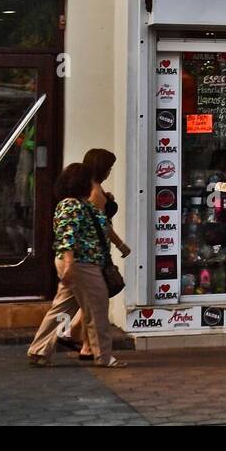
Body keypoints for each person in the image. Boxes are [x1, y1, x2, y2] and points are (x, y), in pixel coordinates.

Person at [27, 162, 126, 368]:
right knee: (97, 308)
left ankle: (39, 350)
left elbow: (103, 226)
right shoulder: (72, 205)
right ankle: (103, 356)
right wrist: (69, 263)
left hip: (79, 264)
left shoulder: (82, 204)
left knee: (62, 308)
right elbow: (67, 235)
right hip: (82, 264)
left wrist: (120, 245)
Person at [57, 149, 131, 360]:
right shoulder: (94, 192)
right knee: (94, 301)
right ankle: (79, 339)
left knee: (84, 302)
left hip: (89, 253)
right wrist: (120, 245)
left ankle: (81, 343)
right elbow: (102, 224)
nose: (110, 172)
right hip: (92, 253)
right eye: (109, 168)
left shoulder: (93, 190)